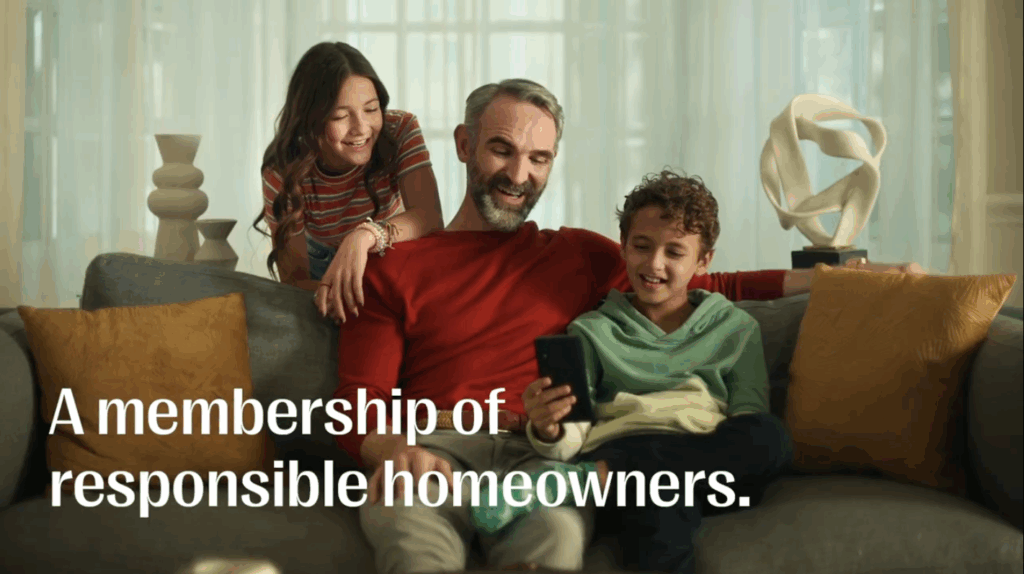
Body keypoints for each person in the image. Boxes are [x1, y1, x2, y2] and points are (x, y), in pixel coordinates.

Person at [332, 78, 918, 574]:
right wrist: (390, 450)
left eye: (539, 159)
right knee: (414, 546)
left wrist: (860, 276)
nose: (519, 174)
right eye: (501, 150)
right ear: (464, 145)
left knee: (555, 546)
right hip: (437, 449)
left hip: (547, 460)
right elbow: (355, 407)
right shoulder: (394, 267)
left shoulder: (576, 256)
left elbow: (714, 284)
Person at [471, 169, 792, 574]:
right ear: (623, 247)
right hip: (623, 456)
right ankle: (615, 475)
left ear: (703, 260)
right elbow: (573, 435)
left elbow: (747, 417)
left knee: (771, 437)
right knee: (661, 497)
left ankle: (591, 479)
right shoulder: (592, 330)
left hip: (705, 462)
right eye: (642, 246)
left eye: (674, 252)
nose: (654, 264)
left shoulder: (735, 329)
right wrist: (549, 428)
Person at [252, 41, 444, 322]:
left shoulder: (400, 129)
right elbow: (294, 279)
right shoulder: (281, 170)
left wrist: (363, 236)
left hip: (392, 250)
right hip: (322, 271)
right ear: (310, 121)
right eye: (340, 116)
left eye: (371, 109)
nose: (361, 129)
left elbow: (429, 216)